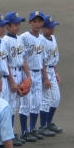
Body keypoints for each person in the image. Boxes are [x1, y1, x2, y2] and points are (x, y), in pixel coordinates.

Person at [0, 14, 23, 146]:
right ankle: (0, 135)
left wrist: (10, 80)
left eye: (3, 26)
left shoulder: (2, 42)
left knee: (9, 108)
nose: (3, 28)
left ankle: (9, 134)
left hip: (5, 79)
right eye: (0, 26)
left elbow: (5, 62)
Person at [20, 11, 55, 139]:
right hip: (26, 74)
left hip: (38, 73)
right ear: (30, 22)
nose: (37, 24)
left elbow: (43, 60)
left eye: (39, 21)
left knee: (36, 103)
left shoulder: (42, 39)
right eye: (34, 21)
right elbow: (21, 57)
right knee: (26, 104)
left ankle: (32, 129)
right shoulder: (23, 38)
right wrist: (27, 75)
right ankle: (24, 131)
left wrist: (45, 77)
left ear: (43, 23)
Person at [3, 12, 34, 142]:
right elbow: (5, 62)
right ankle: (8, 135)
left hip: (19, 72)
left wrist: (28, 76)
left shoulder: (19, 39)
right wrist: (12, 81)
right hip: (9, 75)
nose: (18, 27)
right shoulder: (5, 41)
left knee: (14, 106)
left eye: (19, 24)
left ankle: (12, 134)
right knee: (8, 107)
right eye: (15, 24)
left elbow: (23, 58)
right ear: (7, 26)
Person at [40, 15, 63, 135]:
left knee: (56, 99)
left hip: (52, 70)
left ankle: (48, 123)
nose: (52, 29)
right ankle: (42, 126)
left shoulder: (53, 38)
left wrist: (56, 72)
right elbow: (42, 61)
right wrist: (46, 78)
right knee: (46, 100)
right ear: (43, 28)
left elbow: (53, 58)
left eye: (53, 26)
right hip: (44, 72)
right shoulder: (41, 40)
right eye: (49, 27)